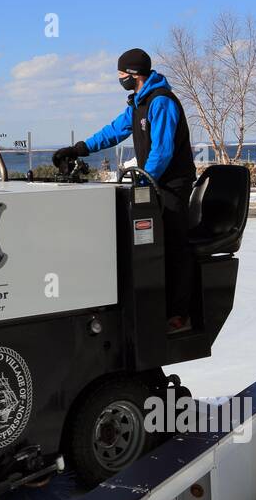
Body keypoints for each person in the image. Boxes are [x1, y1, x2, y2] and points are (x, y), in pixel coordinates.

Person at [53, 48, 197, 333]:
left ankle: (181, 314)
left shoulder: (161, 102)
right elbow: (114, 131)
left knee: (173, 245)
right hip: (154, 183)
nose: (119, 79)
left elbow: (163, 150)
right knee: (147, 245)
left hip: (173, 185)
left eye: (121, 75)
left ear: (134, 74)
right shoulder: (137, 104)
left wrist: (144, 178)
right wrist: (79, 149)